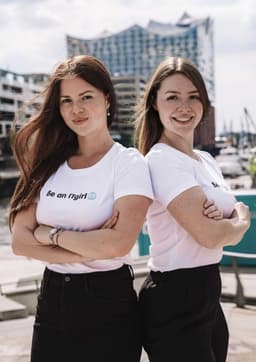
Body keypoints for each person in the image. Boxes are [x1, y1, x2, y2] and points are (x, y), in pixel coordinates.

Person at [9, 55, 153, 362]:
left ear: (107, 100)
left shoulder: (128, 163)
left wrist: (50, 234)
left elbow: (118, 243)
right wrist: (90, 247)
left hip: (108, 302)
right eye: (67, 101)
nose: (77, 109)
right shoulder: (48, 162)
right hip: (52, 299)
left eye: (86, 97)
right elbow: (21, 243)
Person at [135, 56, 251, 362]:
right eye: (172, 97)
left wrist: (223, 226)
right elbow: (210, 236)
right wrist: (240, 220)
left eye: (193, 96)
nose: (184, 107)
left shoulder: (206, 161)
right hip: (175, 296)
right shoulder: (161, 159)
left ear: (204, 103)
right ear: (155, 104)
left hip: (207, 290)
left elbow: (215, 232)